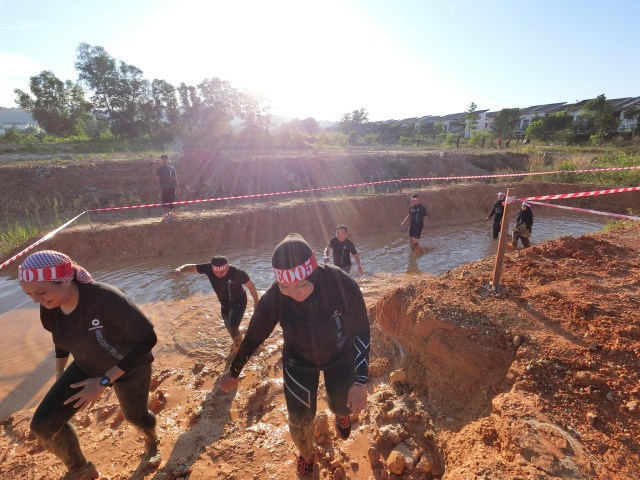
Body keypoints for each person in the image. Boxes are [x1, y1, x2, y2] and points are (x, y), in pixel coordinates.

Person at [220, 234, 370, 477]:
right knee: (300, 419)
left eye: (302, 285)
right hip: (299, 361)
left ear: (314, 273)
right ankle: (308, 454)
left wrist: (361, 381)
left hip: (340, 355)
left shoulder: (339, 283)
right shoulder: (275, 297)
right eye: (286, 287)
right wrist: (234, 370)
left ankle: (341, 415)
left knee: (342, 404)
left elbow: (361, 329)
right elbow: (255, 335)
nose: (295, 293)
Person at [18, 250, 160, 480]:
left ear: (65, 280)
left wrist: (103, 382)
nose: (36, 300)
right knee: (43, 426)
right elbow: (61, 340)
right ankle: (81, 469)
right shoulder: (50, 307)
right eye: (29, 294)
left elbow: (147, 340)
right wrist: (60, 373)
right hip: (87, 366)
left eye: (41, 292)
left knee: (136, 417)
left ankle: (152, 441)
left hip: (130, 368)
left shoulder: (107, 299)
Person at [171, 256, 259, 352]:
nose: (219, 275)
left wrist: (256, 301)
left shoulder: (237, 272)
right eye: (216, 273)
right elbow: (191, 267)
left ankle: (238, 347)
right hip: (224, 303)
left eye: (222, 272)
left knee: (232, 327)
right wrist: (179, 269)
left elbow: (251, 285)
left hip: (239, 301)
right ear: (212, 269)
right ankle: (237, 337)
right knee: (228, 326)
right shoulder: (208, 268)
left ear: (227, 267)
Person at [156, 154, 179, 219]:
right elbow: (158, 179)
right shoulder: (159, 169)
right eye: (162, 159)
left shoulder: (172, 168)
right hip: (164, 188)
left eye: (165, 159)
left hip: (171, 187)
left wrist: (177, 188)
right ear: (161, 160)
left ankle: (171, 213)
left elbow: (175, 179)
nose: (164, 160)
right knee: (164, 201)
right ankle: (165, 214)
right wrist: (160, 189)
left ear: (167, 159)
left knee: (172, 200)